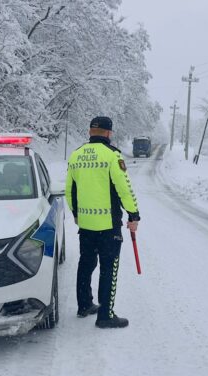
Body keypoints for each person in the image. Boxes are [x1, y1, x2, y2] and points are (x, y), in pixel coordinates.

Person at [65, 116, 140, 329]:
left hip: (86, 224)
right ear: (109, 133)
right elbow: (124, 188)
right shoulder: (112, 155)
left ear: (90, 132)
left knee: (86, 263)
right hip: (108, 226)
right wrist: (133, 215)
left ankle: (85, 305)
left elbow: (70, 191)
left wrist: (77, 215)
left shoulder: (76, 155)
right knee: (108, 268)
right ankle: (105, 315)